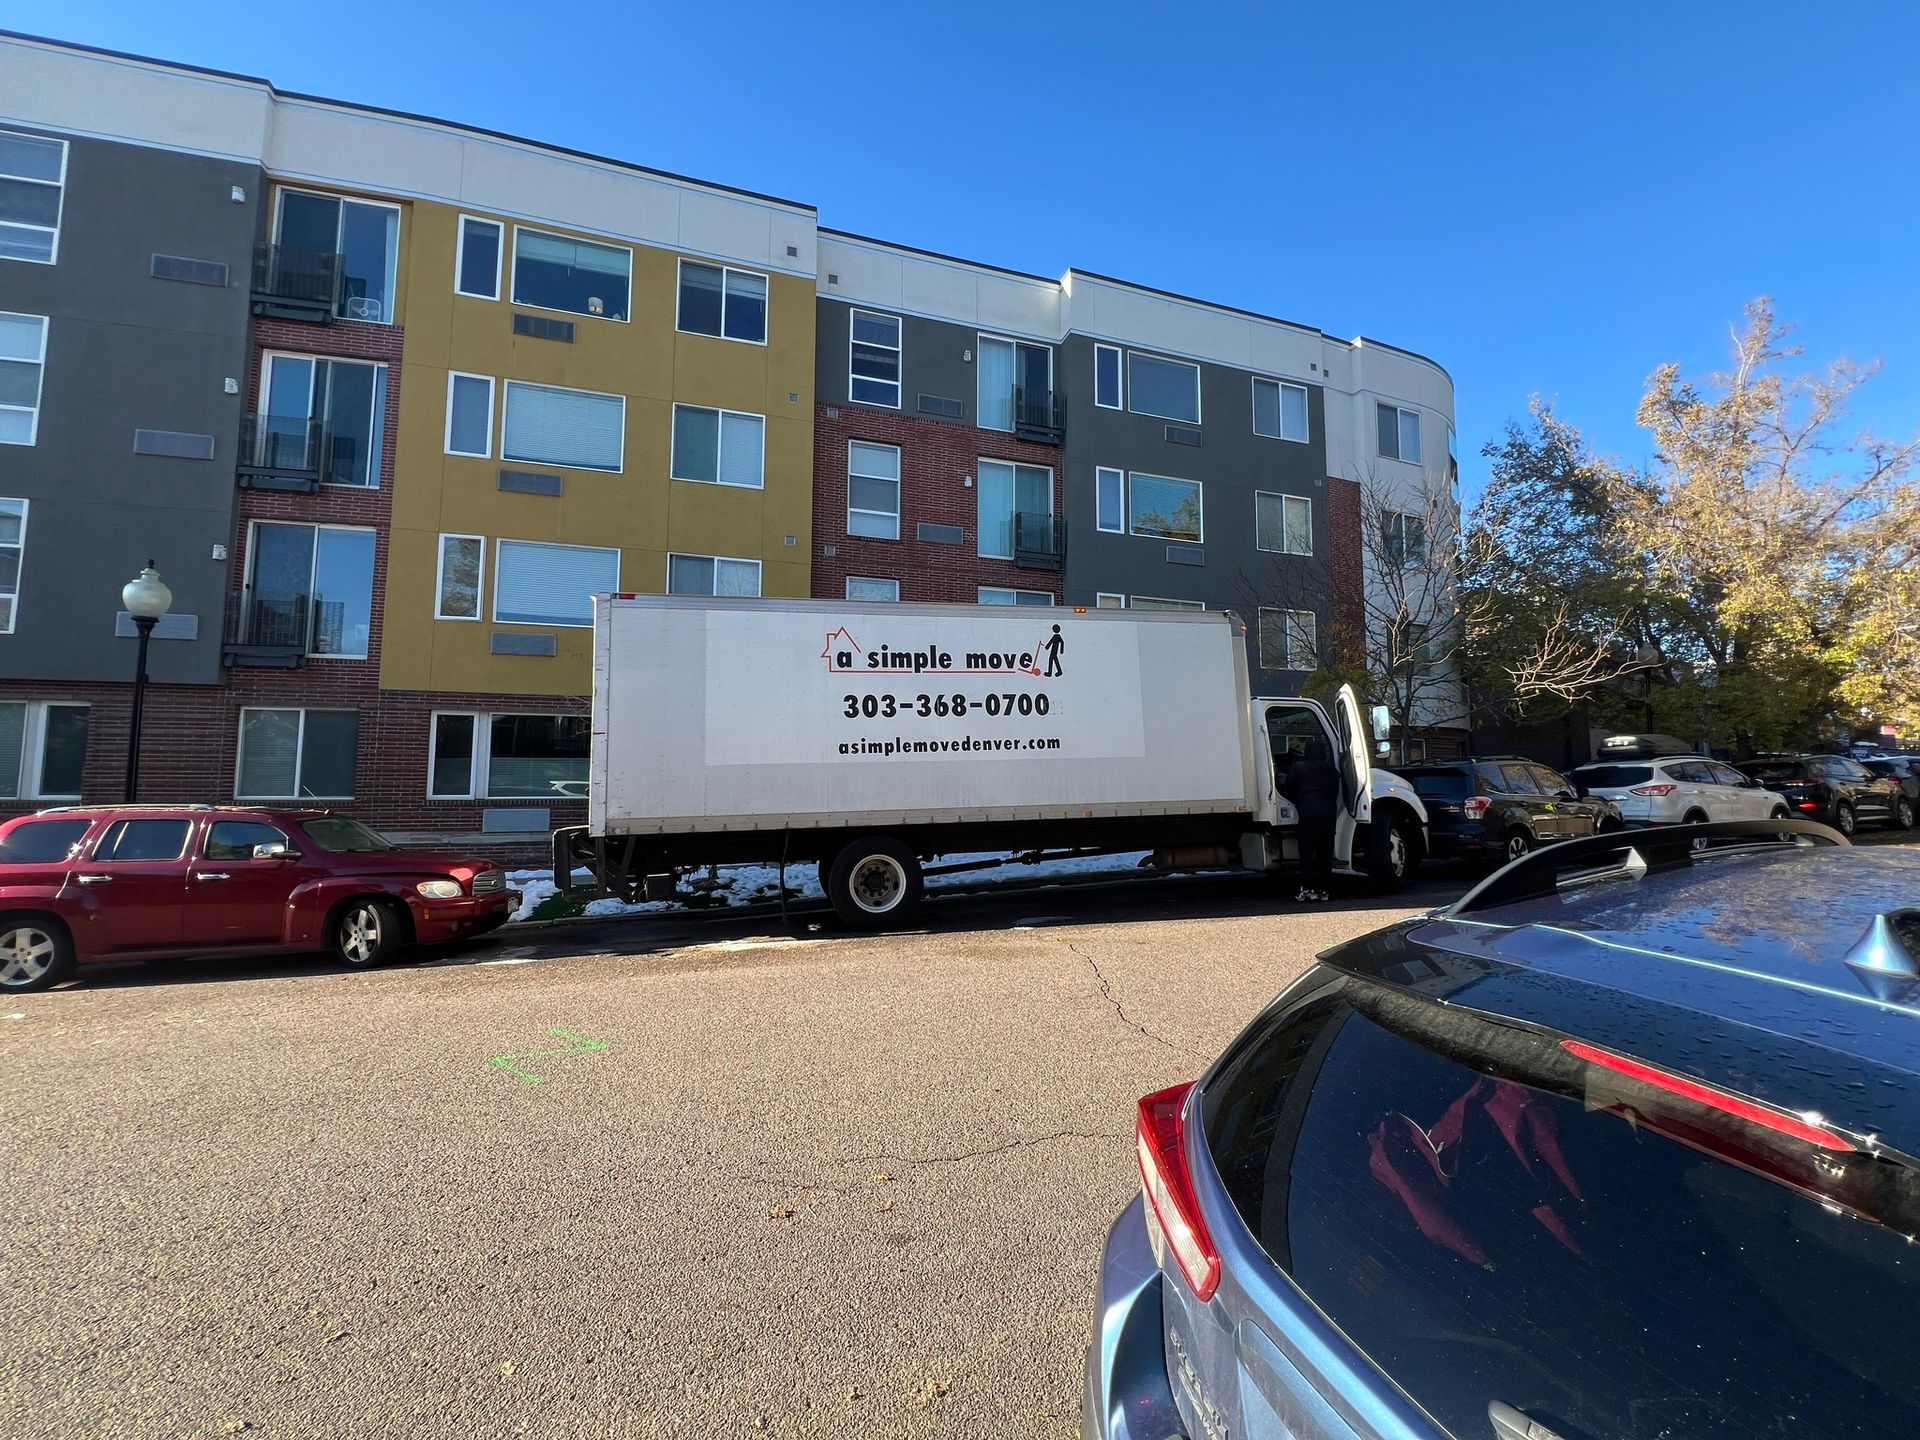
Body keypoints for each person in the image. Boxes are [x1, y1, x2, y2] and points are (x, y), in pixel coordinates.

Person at [1283, 737, 1340, 902]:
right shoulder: (1332, 770)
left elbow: (1289, 788)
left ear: (1307, 753)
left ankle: (1307, 889)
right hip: (1328, 814)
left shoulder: (1299, 767)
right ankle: (1325, 890)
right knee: (1325, 854)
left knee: (1307, 853)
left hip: (1307, 813)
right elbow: (1335, 792)